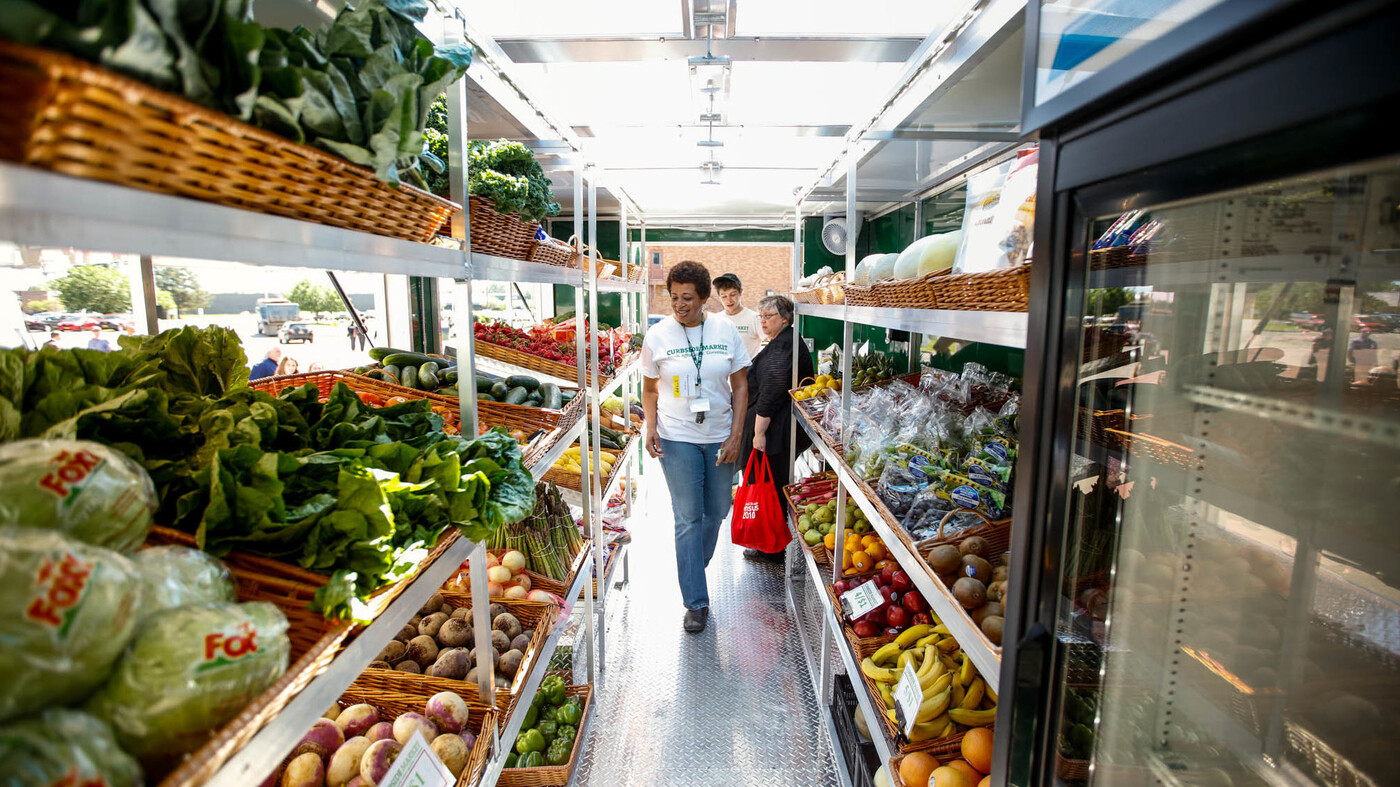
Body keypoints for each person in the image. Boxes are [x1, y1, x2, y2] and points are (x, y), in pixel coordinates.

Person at [641, 261, 751, 633]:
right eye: (674, 297)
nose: (679, 304)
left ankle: (692, 567)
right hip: (677, 436)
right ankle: (695, 602)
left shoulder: (725, 330)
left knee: (717, 511)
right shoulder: (658, 335)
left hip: (720, 434)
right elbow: (650, 388)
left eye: (688, 297)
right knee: (687, 518)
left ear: (704, 298)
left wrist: (737, 434)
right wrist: (650, 426)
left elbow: (740, 386)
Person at [736, 295, 815, 564]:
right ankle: (768, 541)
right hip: (778, 429)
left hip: (774, 431)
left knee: (767, 486)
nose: (763, 320)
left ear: (785, 318)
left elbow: (771, 393)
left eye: (768, 315)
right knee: (770, 484)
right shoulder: (785, 341)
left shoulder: (784, 346)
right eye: (761, 316)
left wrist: (758, 433)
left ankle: (770, 548)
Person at [710, 273, 763, 359]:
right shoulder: (715, 320)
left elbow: (770, 341)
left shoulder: (755, 318)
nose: (729, 300)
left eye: (733, 294)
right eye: (724, 296)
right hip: (723, 371)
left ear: (740, 292)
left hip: (748, 370)